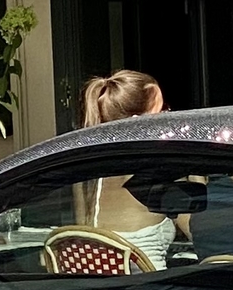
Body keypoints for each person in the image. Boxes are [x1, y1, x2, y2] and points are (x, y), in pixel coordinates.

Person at [76, 70, 179, 266]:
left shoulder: (87, 175)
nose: (168, 116)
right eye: (164, 110)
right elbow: (201, 236)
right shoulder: (160, 169)